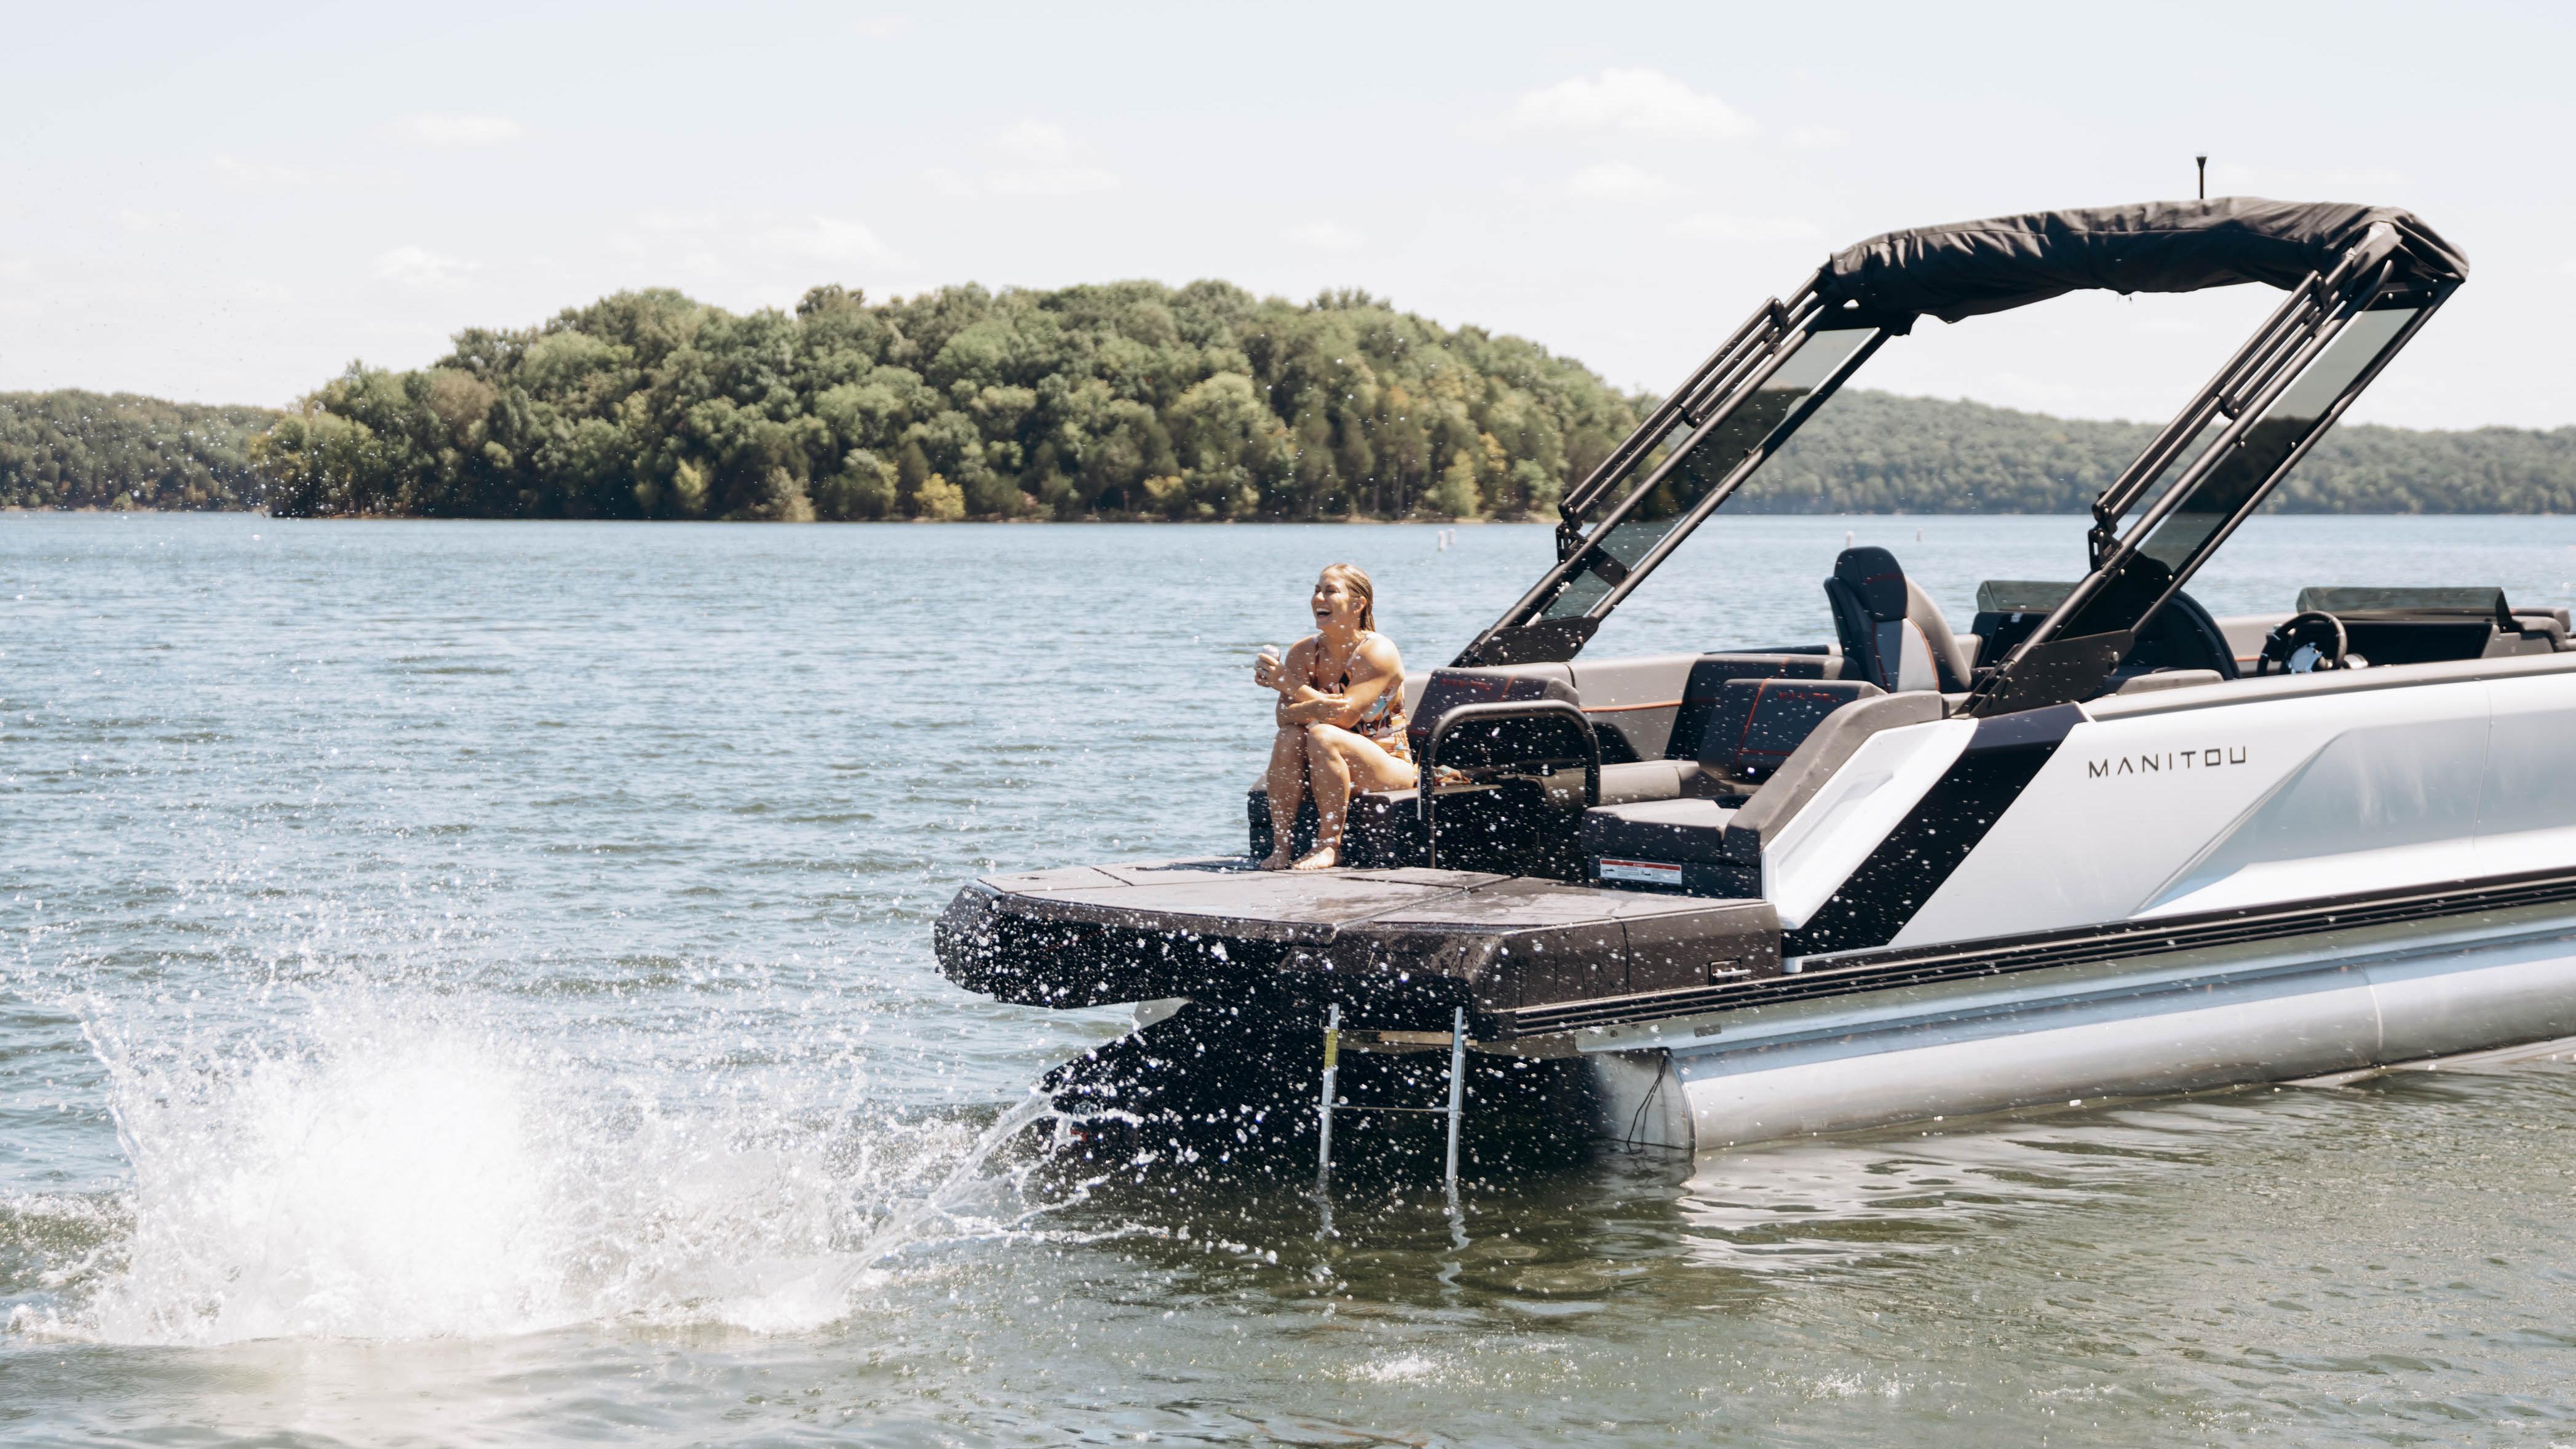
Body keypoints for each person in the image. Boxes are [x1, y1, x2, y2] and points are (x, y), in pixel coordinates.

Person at [1253, 563, 1415, 871]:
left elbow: (1344, 717)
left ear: (1358, 604)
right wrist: (1313, 704)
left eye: (1330, 591)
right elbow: (1284, 717)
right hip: (1326, 761)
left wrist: (1289, 685)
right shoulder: (1303, 651)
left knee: (1322, 735)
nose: (1318, 598)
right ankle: (1281, 847)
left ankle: (1330, 846)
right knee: (1289, 736)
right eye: (1316, 590)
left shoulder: (1377, 651)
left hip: (1386, 762)